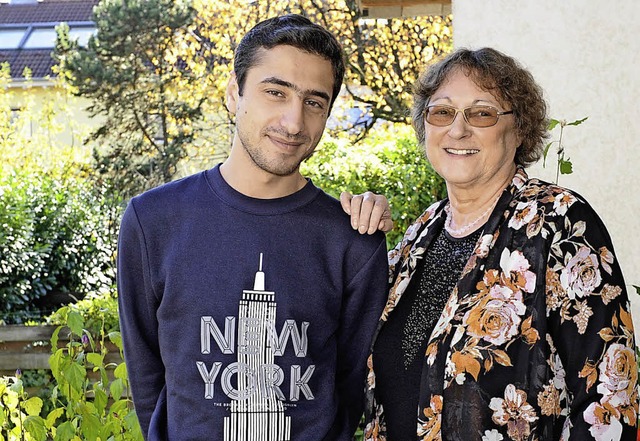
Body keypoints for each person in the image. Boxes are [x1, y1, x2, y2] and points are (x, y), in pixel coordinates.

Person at [117, 14, 391, 441]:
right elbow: (147, 374)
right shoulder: (153, 221)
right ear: (234, 93)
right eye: (275, 92)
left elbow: (350, 381)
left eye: (314, 102)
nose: (294, 121)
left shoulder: (352, 238)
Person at [358, 47, 639, 440]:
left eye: (482, 113)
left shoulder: (559, 222)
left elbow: (610, 397)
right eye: (442, 112)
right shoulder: (419, 235)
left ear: (519, 128)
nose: (458, 130)